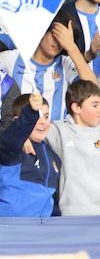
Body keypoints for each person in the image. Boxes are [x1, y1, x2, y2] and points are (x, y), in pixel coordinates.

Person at [0, 18, 97, 120]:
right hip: (17, 132)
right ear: (42, 31)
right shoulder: (11, 58)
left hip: (54, 134)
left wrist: (71, 47)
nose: (58, 42)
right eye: (55, 35)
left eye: (63, 39)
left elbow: (94, 89)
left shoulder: (66, 63)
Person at [0, 92, 60, 217]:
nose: (42, 122)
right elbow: (13, 134)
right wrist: (30, 112)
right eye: (37, 117)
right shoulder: (11, 148)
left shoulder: (53, 156)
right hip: (9, 229)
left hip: (42, 231)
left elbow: (52, 201)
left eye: (46, 117)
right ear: (17, 121)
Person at [44, 79, 100, 215]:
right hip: (72, 213)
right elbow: (27, 133)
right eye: (95, 105)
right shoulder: (58, 129)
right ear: (77, 108)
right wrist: (26, 140)